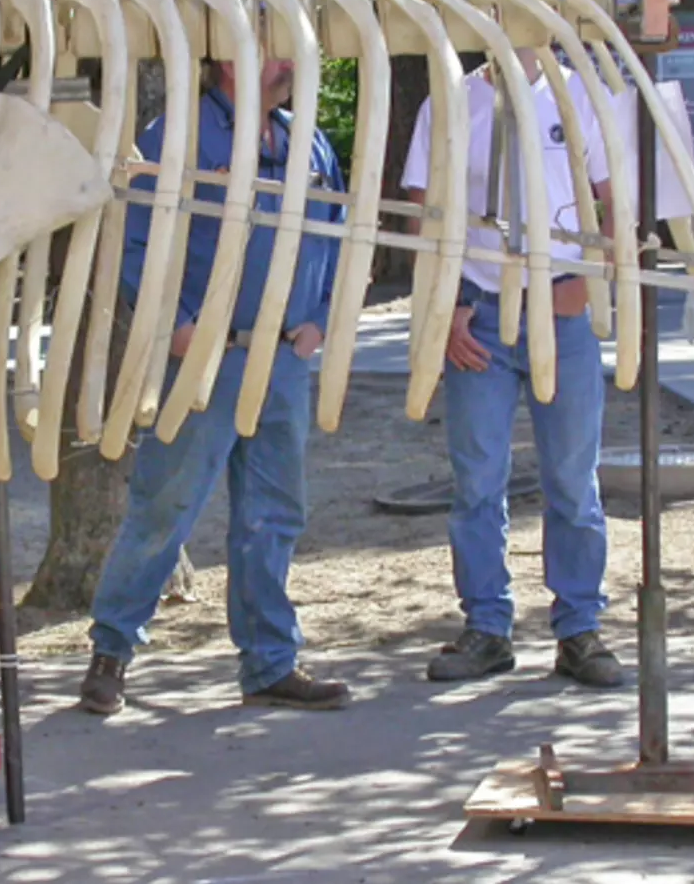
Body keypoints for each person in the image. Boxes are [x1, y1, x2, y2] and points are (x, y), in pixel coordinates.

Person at [80, 57, 352, 715]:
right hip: (209, 357)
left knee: (274, 513)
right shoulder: (174, 133)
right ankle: (111, 651)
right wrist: (174, 326)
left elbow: (338, 233)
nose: (290, 60)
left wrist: (320, 315)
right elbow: (135, 240)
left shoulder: (304, 139)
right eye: (275, 45)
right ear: (230, 56)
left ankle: (270, 661)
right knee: (165, 506)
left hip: (282, 359)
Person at [400, 48, 626, 688]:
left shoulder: (580, 95)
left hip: (562, 305)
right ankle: (487, 628)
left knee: (573, 479)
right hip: (479, 311)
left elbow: (617, 202)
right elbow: (423, 212)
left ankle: (579, 628)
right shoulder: (450, 99)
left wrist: (585, 285)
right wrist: (443, 311)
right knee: (476, 481)